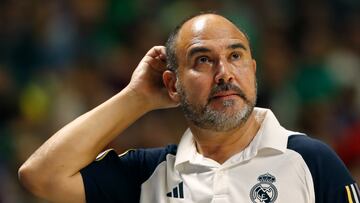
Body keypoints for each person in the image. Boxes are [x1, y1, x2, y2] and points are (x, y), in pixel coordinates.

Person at [18, 12, 359, 203]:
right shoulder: (149, 174)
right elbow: (41, 176)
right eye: (203, 60)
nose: (224, 73)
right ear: (172, 85)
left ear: (253, 72)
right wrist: (136, 96)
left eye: (235, 56)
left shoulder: (311, 162)